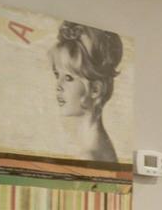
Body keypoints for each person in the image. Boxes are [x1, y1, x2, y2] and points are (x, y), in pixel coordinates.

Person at [49, 21, 123, 161]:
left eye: (69, 78)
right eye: (57, 75)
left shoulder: (88, 156)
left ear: (95, 89)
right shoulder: (99, 146)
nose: (58, 86)